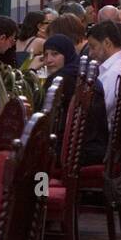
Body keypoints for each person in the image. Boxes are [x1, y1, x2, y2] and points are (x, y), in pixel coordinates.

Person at [42, 34, 108, 165]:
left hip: (74, 154)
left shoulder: (59, 81)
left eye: (55, 54)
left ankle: (40, 185)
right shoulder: (80, 73)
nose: (48, 60)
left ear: (66, 54)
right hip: (96, 148)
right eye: (45, 55)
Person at [86, 21, 121, 122]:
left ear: (107, 43)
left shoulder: (113, 72)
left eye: (93, 47)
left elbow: (99, 112)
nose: (90, 53)